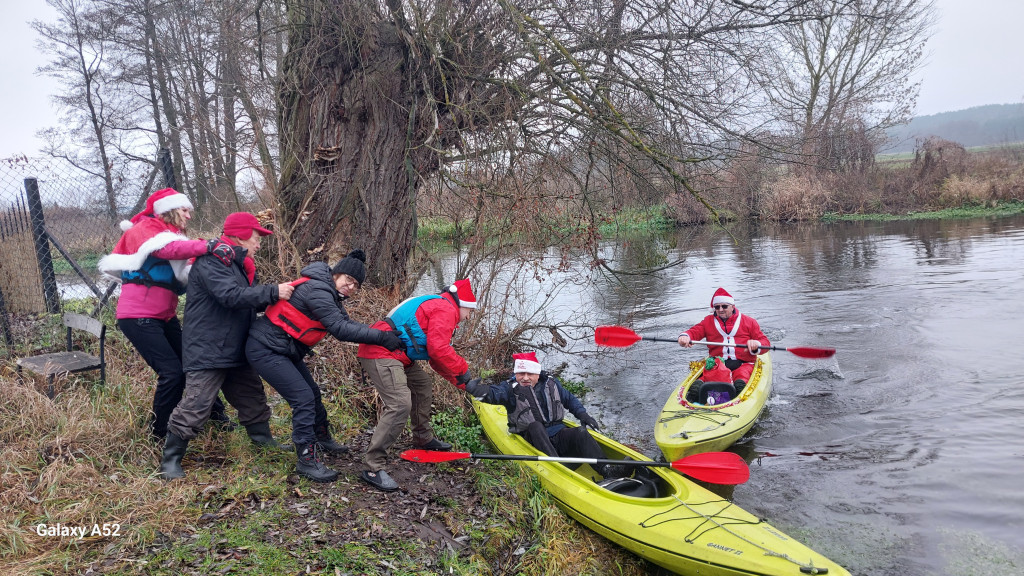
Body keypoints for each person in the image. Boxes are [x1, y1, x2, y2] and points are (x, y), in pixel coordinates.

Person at [245, 250, 404, 482]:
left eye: (356, 285)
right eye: (348, 280)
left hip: (282, 348)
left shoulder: (329, 292)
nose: (350, 287)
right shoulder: (318, 290)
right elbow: (340, 329)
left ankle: (321, 437)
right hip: (265, 348)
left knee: (312, 394)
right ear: (336, 274)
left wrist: (379, 333)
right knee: (303, 399)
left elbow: (346, 322)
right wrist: (382, 337)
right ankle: (306, 460)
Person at [160, 212, 296, 480]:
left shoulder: (237, 264)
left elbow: (249, 300)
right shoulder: (214, 261)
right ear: (240, 235)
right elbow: (230, 296)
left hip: (234, 345)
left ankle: (262, 441)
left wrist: (280, 299)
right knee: (196, 404)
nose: (259, 244)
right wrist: (273, 292)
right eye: (256, 238)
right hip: (209, 347)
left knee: (251, 395)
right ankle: (170, 460)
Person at [97, 188, 232, 440]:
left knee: (194, 364)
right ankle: (159, 434)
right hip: (138, 318)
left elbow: (180, 266)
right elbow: (167, 251)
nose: (189, 216)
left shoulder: (170, 234)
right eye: (185, 210)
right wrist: (208, 245)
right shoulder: (145, 229)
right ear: (168, 209)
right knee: (172, 373)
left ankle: (215, 416)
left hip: (164, 316)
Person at [355, 279, 481, 492]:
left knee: (422, 385)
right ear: (461, 304)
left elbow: (436, 358)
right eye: (469, 311)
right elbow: (439, 350)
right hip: (380, 352)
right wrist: (465, 373)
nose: (468, 317)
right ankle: (373, 467)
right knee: (399, 404)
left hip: (398, 355)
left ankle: (423, 438)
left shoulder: (440, 306)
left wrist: (463, 383)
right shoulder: (445, 309)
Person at [466, 352, 629, 479]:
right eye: (521, 373)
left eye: (529, 373)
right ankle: (557, 467)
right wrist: (476, 390)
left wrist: (583, 414)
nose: (525, 378)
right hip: (531, 437)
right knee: (536, 426)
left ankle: (607, 470)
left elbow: (568, 398)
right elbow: (494, 393)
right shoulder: (510, 389)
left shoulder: (551, 383)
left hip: (557, 434)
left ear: (537, 373)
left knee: (580, 432)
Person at [677, 287, 769, 402]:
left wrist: (756, 344)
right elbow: (694, 331)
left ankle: (738, 398)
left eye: (724, 306)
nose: (720, 309)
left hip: (744, 364)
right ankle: (698, 396)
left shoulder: (749, 322)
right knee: (701, 384)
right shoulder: (708, 321)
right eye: (717, 307)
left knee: (740, 381)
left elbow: (765, 343)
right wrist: (685, 336)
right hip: (717, 363)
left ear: (732, 306)